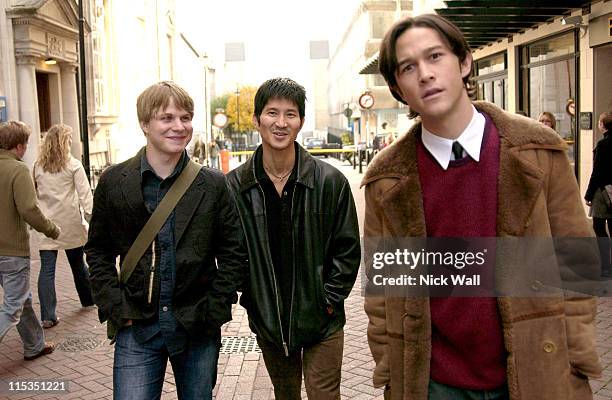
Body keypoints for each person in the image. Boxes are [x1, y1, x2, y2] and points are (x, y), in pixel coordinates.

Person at [363, 14, 601, 399]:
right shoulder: (386, 181)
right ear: (398, 88)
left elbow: (579, 260)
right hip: (434, 384)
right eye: (409, 67)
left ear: (464, 62)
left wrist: (574, 356)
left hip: (535, 370)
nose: (425, 74)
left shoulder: (538, 151)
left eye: (435, 56)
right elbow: (382, 294)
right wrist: (392, 370)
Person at [85, 81, 247, 400]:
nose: (179, 126)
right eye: (167, 118)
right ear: (144, 124)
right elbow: (98, 251)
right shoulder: (115, 182)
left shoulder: (212, 184)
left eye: (185, 118)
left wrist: (214, 308)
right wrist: (116, 306)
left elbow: (233, 252)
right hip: (137, 326)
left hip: (195, 325)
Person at [227, 77, 361, 399]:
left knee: (324, 395)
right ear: (257, 119)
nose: (281, 122)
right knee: (285, 394)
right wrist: (254, 300)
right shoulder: (235, 187)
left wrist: (327, 301)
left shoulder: (330, 182)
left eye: (290, 114)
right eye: (272, 113)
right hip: (270, 323)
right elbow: (231, 252)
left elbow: (348, 250)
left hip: (323, 321)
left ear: (300, 121)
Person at [0, 120, 59, 360]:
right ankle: (35, 344)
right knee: (13, 306)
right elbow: (28, 208)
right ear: (19, 146)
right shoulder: (18, 169)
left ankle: (34, 344)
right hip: (12, 250)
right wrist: (51, 229)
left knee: (22, 299)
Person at [34, 124, 94, 329]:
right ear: (63, 143)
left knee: (47, 270)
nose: (70, 144)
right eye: (68, 140)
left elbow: (34, 195)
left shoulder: (38, 166)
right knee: (78, 264)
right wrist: (92, 219)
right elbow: (86, 197)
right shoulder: (73, 165)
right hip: (69, 224)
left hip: (46, 224)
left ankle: (48, 316)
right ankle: (88, 300)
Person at [585, 111, 612, 277]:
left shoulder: (603, 145)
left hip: (602, 192)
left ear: (602, 125)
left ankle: (605, 267)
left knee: (600, 229)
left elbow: (597, 172)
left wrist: (588, 194)